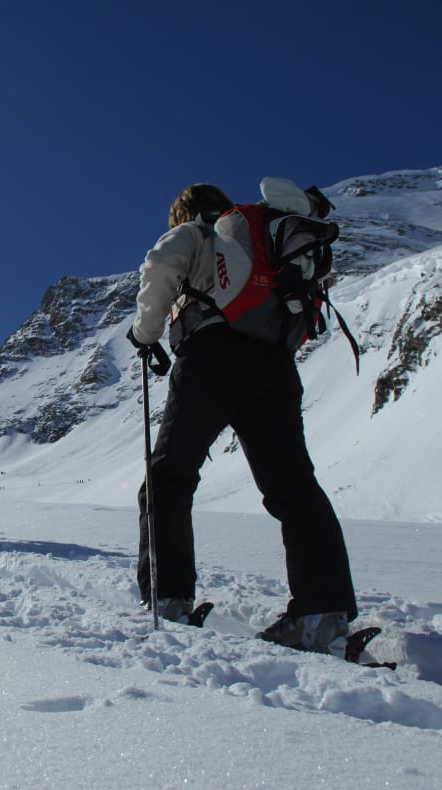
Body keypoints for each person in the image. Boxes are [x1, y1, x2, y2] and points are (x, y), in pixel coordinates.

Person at [127, 181, 358, 655]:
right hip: (274, 364)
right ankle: (321, 612)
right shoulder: (260, 242)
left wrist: (145, 333)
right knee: (292, 486)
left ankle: (167, 600)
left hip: (212, 358)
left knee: (168, 477)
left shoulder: (195, 232)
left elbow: (160, 266)